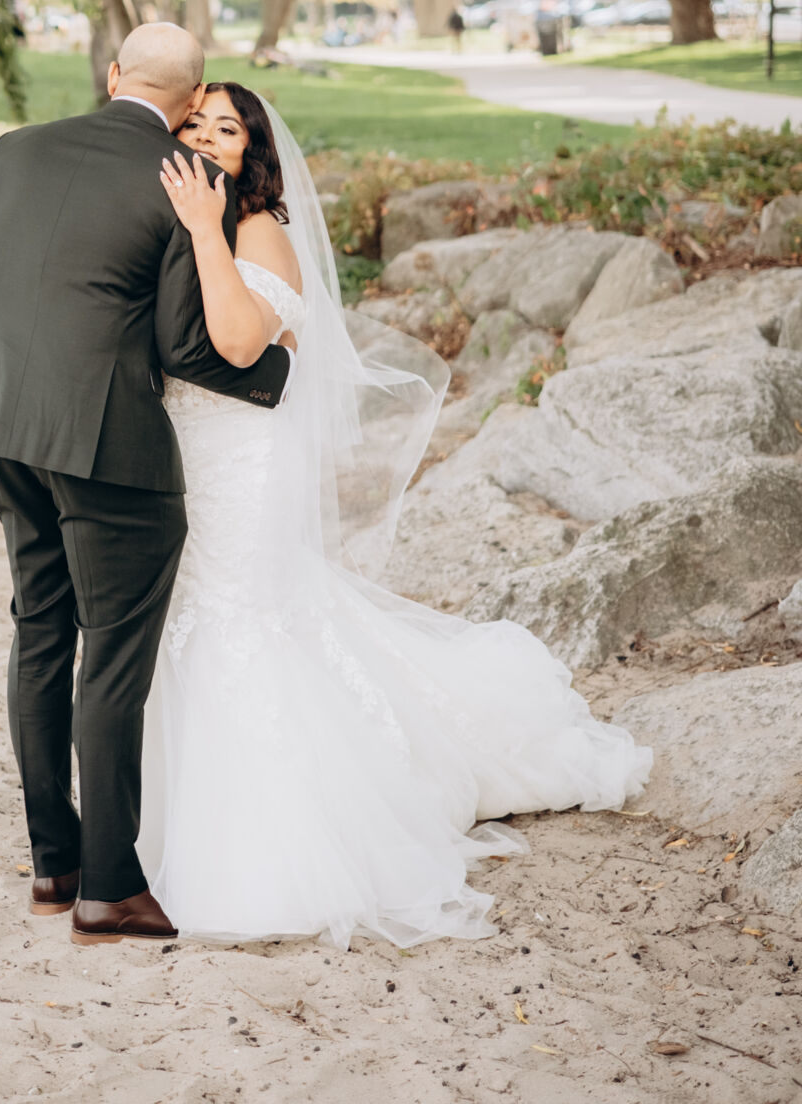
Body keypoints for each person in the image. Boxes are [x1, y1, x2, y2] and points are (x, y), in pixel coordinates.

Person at [141, 80, 652, 948]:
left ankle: (267, 842)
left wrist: (200, 228)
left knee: (239, 621)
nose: (206, 137)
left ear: (252, 155)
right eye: (194, 123)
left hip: (242, 462)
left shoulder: (255, 230)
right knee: (195, 618)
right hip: (185, 452)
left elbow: (238, 342)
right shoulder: (185, 221)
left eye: (227, 129)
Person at [0, 25, 292, 944]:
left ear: (113, 74)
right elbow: (184, 346)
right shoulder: (190, 180)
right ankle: (110, 888)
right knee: (115, 661)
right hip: (108, 445)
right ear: (192, 97)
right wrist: (280, 377)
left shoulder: (16, 149)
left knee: (40, 631)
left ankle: (52, 866)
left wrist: (33, 356)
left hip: (5, 426)